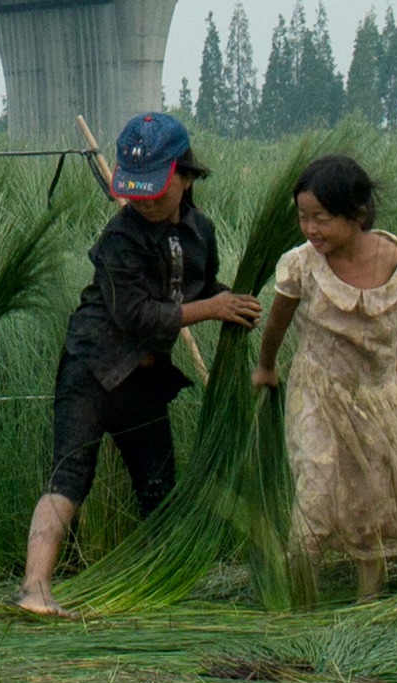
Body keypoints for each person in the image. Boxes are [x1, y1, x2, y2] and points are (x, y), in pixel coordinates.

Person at [18, 112, 262, 617]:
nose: (144, 201)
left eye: (155, 189)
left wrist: (232, 303)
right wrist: (211, 309)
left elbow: (199, 290)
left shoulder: (202, 232)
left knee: (159, 487)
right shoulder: (119, 238)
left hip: (146, 380)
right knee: (70, 478)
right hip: (92, 370)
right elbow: (135, 315)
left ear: (186, 176)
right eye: (137, 191)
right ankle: (35, 588)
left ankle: (160, 585)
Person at [251, 155, 397, 601]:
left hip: (376, 394)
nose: (311, 229)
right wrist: (266, 365)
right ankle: (300, 596)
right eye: (303, 217)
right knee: (315, 481)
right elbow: (277, 319)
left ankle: (366, 600)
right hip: (316, 390)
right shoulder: (301, 265)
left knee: (372, 495)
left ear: (357, 214)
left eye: (322, 218)